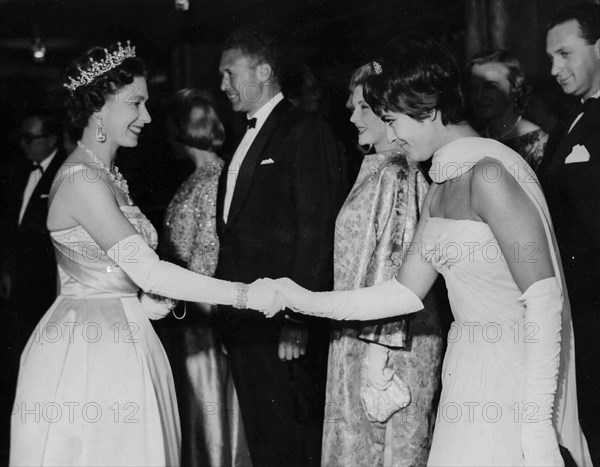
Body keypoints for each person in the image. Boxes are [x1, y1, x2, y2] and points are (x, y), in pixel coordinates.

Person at [262, 35, 592, 466]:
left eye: (393, 119)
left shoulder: (489, 175)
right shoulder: (439, 190)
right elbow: (401, 293)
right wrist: (298, 298)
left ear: (431, 110)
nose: (392, 136)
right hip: (466, 372)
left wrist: (537, 428)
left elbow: (546, 302)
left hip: (517, 376)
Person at [9, 41, 283, 466]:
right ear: (99, 107)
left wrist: (145, 302)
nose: (147, 117)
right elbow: (150, 271)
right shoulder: (83, 180)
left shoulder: (108, 175)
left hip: (125, 330)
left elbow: (119, 270)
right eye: (136, 103)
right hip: (88, 346)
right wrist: (246, 294)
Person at [216, 29, 345, 466]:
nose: (223, 85)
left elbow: (316, 229)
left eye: (230, 73)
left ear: (264, 71)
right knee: (262, 434)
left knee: (292, 435)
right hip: (244, 318)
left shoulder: (306, 131)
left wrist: (298, 316)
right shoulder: (243, 136)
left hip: (280, 321)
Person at [321, 62, 444, 466]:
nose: (354, 117)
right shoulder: (376, 168)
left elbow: (395, 263)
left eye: (364, 108)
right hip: (361, 338)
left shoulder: (398, 173)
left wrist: (377, 359)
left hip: (389, 349)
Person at [159, 88, 250, 467]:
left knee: (208, 412)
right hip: (192, 314)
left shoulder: (214, 179)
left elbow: (209, 256)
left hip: (204, 317)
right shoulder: (201, 177)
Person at [538, 3, 600, 464]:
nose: (555, 69)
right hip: (580, 310)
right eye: (550, 59)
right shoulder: (570, 122)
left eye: (565, 54)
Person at [0, 111, 66, 464]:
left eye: (32, 137)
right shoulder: (17, 172)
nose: (25, 144)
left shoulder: (65, 175)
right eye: (22, 138)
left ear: (52, 139)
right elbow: (10, 228)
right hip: (20, 290)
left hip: (50, 289)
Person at [467, 49, 548, 170]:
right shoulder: (474, 138)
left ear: (515, 88)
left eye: (490, 87)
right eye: (474, 88)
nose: (479, 96)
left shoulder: (538, 144)